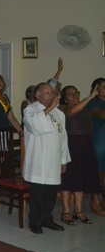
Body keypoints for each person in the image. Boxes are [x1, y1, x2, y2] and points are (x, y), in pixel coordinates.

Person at [23, 83, 70, 234]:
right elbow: (35, 126)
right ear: (38, 95)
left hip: (54, 160)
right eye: (47, 93)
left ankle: (47, 219)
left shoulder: (59, 114)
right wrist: (49, 108)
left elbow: (63, 138)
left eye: (52, 92)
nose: (52, 95)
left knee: (51, 193)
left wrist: (63, 160)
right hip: (38, 160)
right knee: (37, 194)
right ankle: (34, 221)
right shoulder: (30, 110)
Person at [58, 85, 101, 225]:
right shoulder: (63, 108)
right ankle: (65, 211)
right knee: (68, 179)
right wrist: (91, 97)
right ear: (65, 98)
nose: (75, 95)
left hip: (85, 145)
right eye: (71, 94)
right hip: (71, 146)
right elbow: (71, 113)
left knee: (81, 178)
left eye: (76, 92)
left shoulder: (85, 109)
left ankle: (78, 210)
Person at [87, 77, 105, 212]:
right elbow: (100, 115)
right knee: (97, 171)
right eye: (104, 87)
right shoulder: (93, 102)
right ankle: (95, 201)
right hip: (99, 138)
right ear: (96, 90)